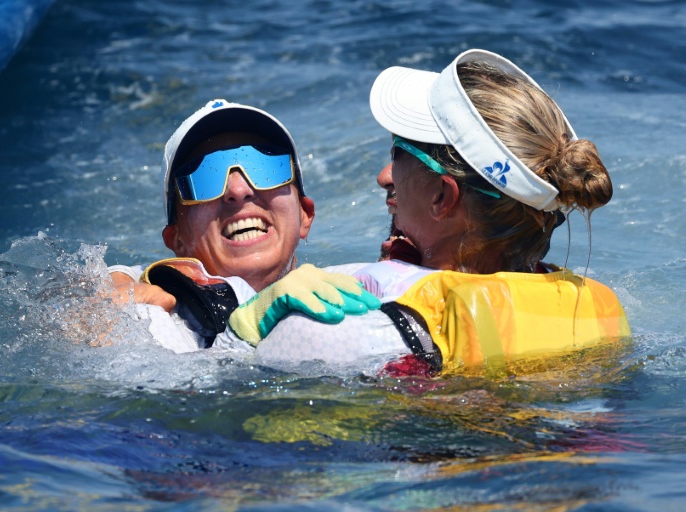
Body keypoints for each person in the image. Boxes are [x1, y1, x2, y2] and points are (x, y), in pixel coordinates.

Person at [223, 49, 631, 376]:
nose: (385, 176)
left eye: (398, 153)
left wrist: (241, 333)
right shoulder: (599, 315)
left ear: (442, 197)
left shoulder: (337, 333)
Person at [109, 99, 378, 352]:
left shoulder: (361, 291)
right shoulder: (152, 322)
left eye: (265, 165)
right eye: (204, 176)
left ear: (305, 214)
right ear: (177, 240)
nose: (238, 189)